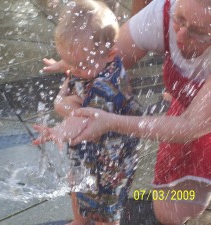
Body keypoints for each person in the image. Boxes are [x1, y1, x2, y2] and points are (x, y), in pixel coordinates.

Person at [33, 0, 211, 224]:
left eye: (198, 32)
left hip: (190, 128)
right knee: (81, 184)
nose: (181, 36)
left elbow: (189, 127)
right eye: (180, 20)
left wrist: (60, 115)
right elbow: (97, 50)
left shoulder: (105, 90)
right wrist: (70, 61)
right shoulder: (164, 12)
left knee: (152, 211)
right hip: (184, 114)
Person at [33, 0, 143, 224]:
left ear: (111, 54)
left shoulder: (106, 87)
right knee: (77, 182)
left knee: (106, 205)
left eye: (80, 65)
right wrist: (62, 64)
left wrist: (61, 130)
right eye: (70, 62)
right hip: (88, 146)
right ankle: (79, 221)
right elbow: (78, 61)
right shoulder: (93, 60)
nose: (74, 70)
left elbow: (84, 120)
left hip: (112, 157)